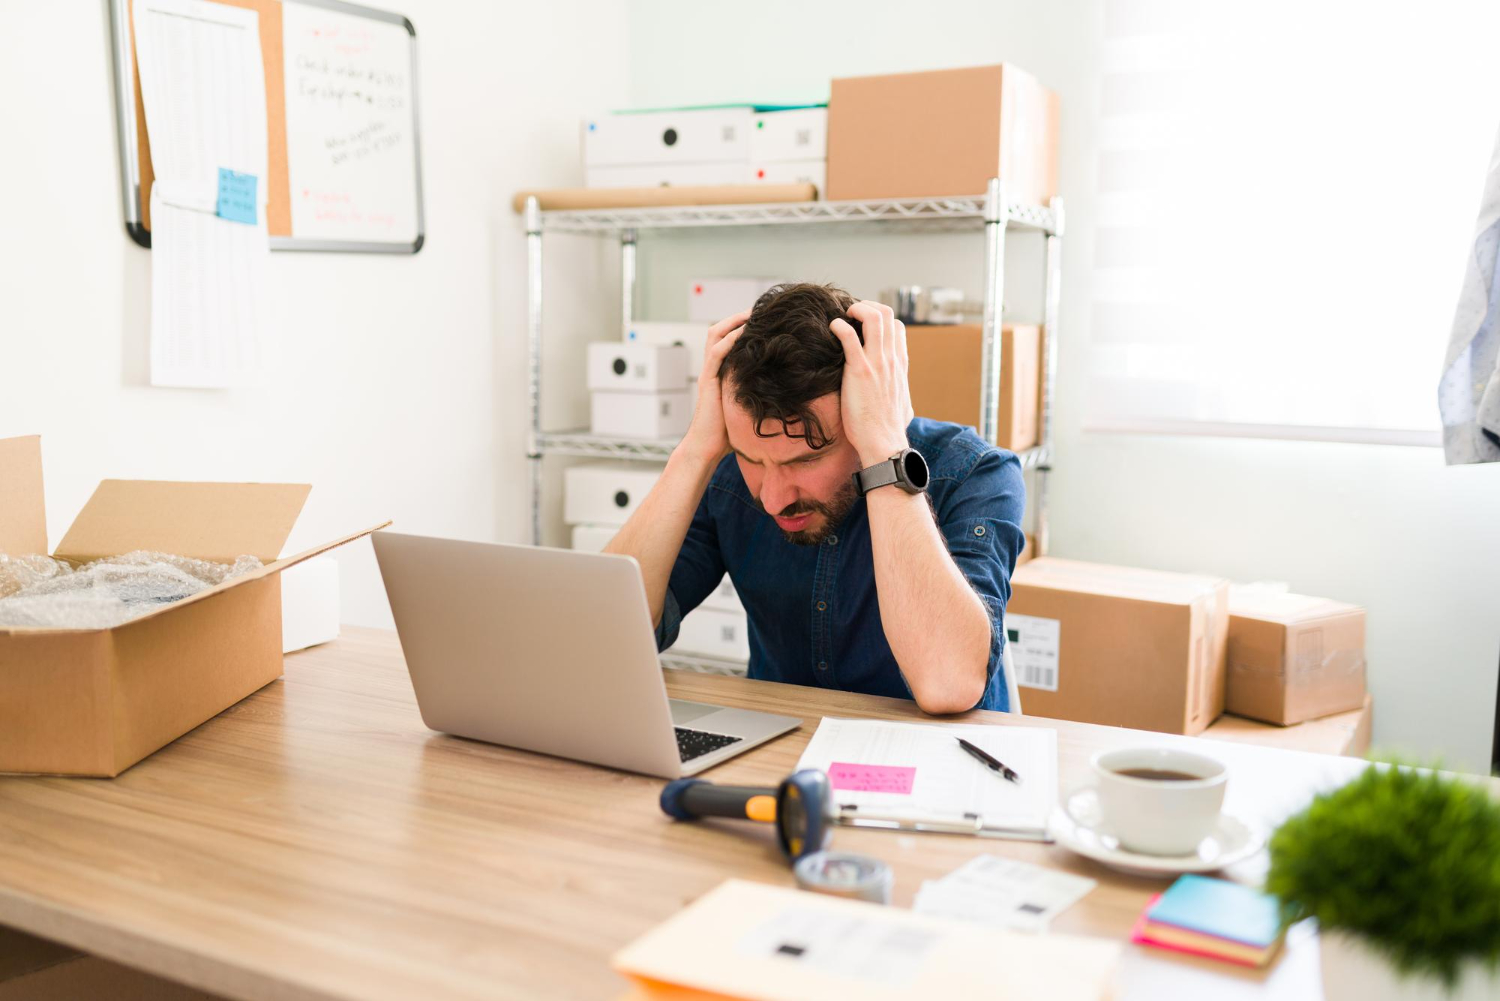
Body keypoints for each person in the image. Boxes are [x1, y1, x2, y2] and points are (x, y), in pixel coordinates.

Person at [604, 282, 1026, 713]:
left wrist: (883, 452)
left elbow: (947, 683)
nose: (771, 500)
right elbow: (604, 645)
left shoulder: (975, 473)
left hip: (939, 766)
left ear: (868, 412)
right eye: (751, 458)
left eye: (805, 461)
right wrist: (696, 451)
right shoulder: (728, 480)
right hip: (782, 759)